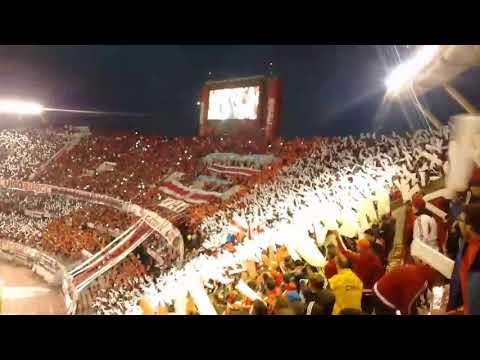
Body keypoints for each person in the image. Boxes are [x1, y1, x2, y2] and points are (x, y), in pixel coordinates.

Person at [336, 235, 384, 314]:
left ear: (361, 247)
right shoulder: (375, 259)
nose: (356, 247)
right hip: (372, 293)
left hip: (362, 292)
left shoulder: (360, 258)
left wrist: (338, 239)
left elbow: (345, 252)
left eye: (358, 245)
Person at [447, 203, 480, 315]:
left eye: (460, 220)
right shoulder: (465, 247)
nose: (457, 223)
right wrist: (454, 306)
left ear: (469, 226)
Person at [373, 262, 441, 315]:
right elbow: (408, 305)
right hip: (385, 298)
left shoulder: (419, 271)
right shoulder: (420, 281)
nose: (439, 285)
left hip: (381, 289)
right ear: (437, 277)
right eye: (440, 283)